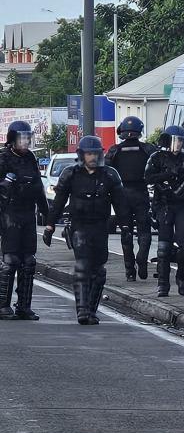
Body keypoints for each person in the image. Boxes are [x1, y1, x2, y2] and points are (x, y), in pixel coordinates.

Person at [46, 135, 128, 325]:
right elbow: (58, 202)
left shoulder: (109, 174)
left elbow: (121, 202)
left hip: (100, 226)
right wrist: (50, 225)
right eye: (89, 154)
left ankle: (91, 310)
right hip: (79, 225)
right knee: (82, 265)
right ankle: (82, 310)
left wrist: (125, 226)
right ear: (82, 155)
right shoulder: (70, 174)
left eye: (95, 154)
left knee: (98, 271)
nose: (92, 157)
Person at [0, 121, 50, 320]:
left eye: (28, 139)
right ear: (12, 140)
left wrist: (47, 213)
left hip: (28, 212)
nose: (25, 143)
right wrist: (6, 183)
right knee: (10, 261)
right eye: (22, 139)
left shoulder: (30, 157)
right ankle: (3, 305)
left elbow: (38, 185)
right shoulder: (3, 158)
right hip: (9, 213)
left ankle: (24, 306)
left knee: (29, 261)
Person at [144, 126, 184, 297]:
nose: (178, 144)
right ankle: (163, 284)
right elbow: (147, 177)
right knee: (163, 247)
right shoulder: (157, 158)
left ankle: (182, 278)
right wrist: (166, 176)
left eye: (181, 141)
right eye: (176, 140)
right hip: (164, 204)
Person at [105, 116, 157, 282]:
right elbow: (158, 165)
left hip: (122, 196)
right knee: (144, 230)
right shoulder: (148, 149)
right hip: (141, 193)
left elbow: (106, 172)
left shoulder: (115, 150)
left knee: (125, 232)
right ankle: (142, 258)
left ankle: (129, 271)